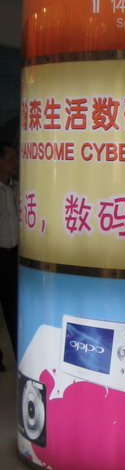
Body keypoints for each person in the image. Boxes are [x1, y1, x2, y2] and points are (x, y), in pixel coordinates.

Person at [0, 141, 19, 372]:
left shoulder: (17, 189)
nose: (15, 163)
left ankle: (20, 354)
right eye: (11, 158)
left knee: (14, 309)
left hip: (13, 256)